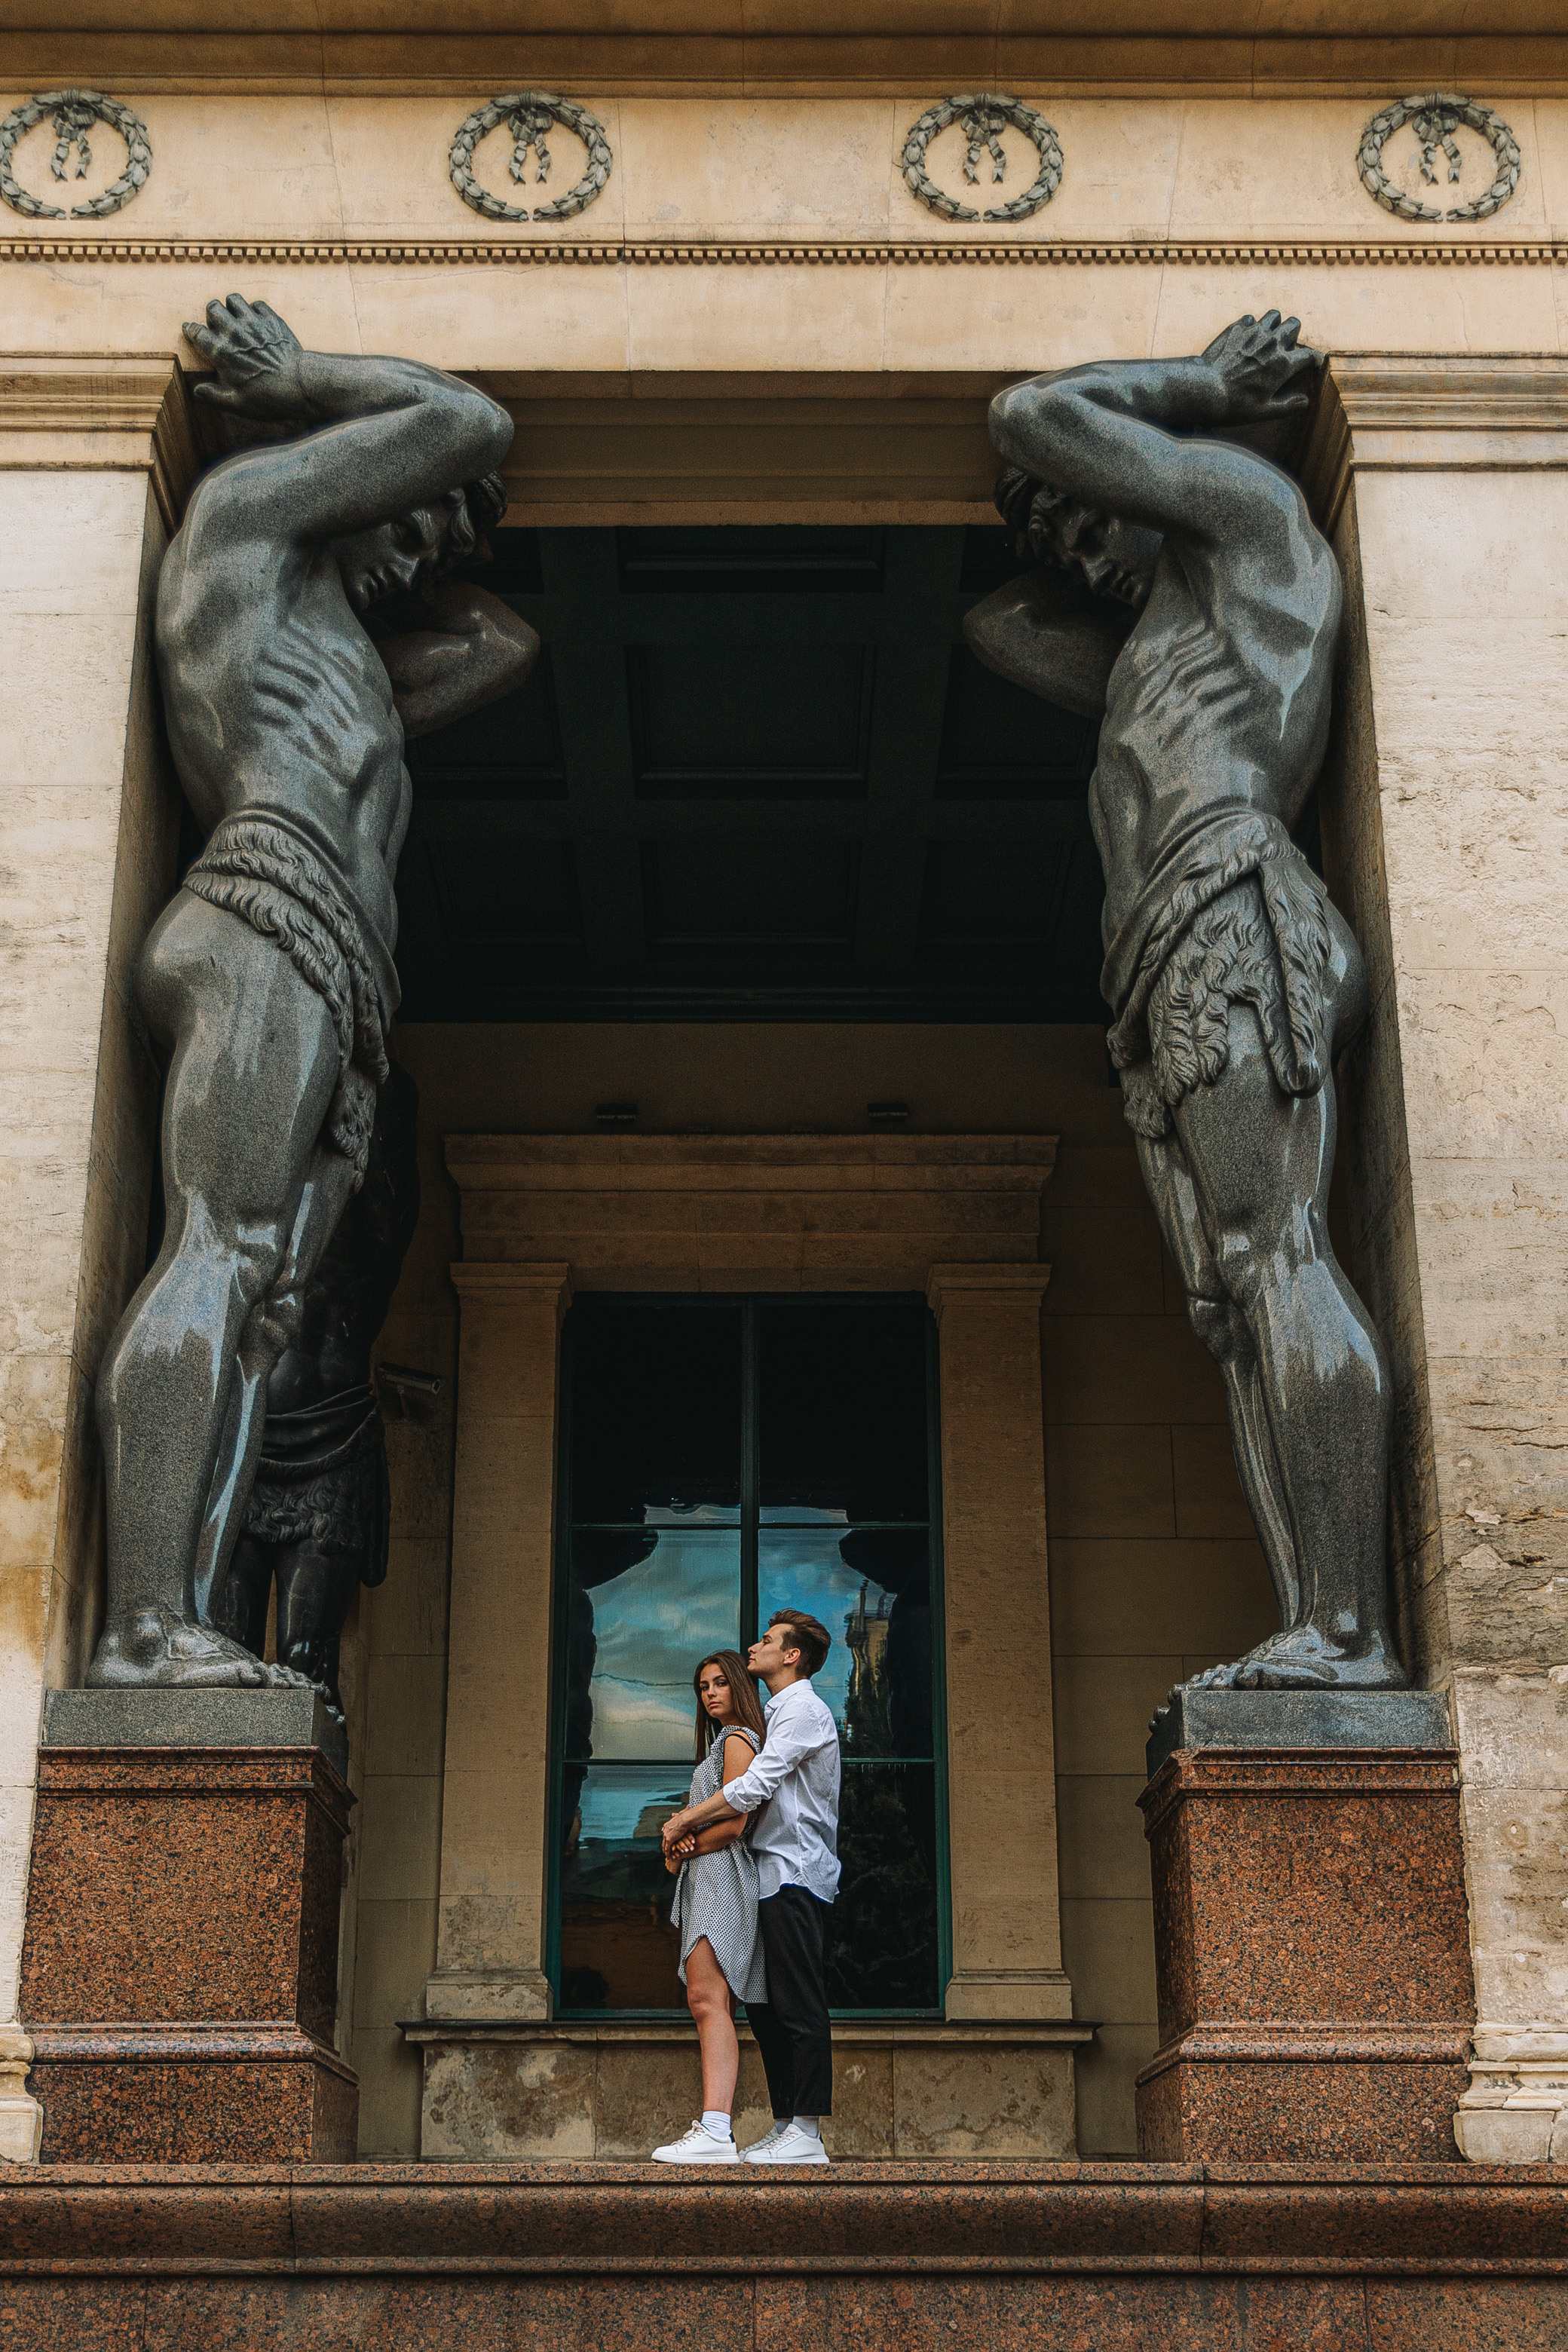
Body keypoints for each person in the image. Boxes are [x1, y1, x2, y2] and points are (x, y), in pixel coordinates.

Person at [89, 293, 536, 1692]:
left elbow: (499, 646)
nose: (427, 544)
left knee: (270, 1303)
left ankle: (183, 1623)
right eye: (416, 513)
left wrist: (402, 540)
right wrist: (302, 383)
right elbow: (465, 418)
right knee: (220, 1252)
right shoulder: (243, 534)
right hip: (262, 916)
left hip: (335, 967)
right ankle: (139, 1625)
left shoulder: (347, 655)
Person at [965, 309, 1404, 1695]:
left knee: (1279, 1254)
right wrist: (1106, 545)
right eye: (1058, 532)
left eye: (1089, 513)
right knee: (1230, 1304)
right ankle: (1315, 1620)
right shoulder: (1156, 646)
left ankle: (1352, 1630)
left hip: (1232, 908)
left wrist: (1202, 390)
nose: (1079, 549)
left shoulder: (1255, 535)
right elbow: (1002, 622)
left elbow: (1034, 411)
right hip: (1161, 957)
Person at [204, 1063, 421, 1713]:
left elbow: (378, 1216)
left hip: (333, 1441)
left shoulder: (373, 1202)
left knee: (308, 1660)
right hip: (246, 1435)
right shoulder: (260, 1189)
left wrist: (356, 1087)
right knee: (225, 1658)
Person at [662, 1609, 840, 2165]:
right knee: (771, 2009)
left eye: (766, 1640)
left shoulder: (803, 1710)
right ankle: (787, 2123)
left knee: (799, 2004)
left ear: (792, 1655)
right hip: (766, 1875)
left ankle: (807, 2132)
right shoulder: (774, 1714)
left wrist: (684, 1822)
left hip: (796, 1872)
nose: (753, 1648)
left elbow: (752, 1789)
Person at [651, 1652, 770, 2165]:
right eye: (703, 1687)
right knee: (710, 2001)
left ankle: (717, 2130)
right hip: (708, 1877)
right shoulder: (724, 1742)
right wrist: (680, 1845)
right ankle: (717, 2129)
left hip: (722, 1878)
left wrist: (684, 1838)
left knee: (707, 2000)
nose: (711, 1693)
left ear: (740, 1686)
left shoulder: (738, 1739)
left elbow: (735, 1820)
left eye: (721, 1683)